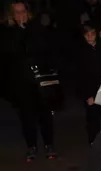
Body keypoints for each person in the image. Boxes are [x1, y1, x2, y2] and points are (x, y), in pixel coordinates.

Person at [3, 0, 57, 162]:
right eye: (17, 12)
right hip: (21, 81)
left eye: (23, 11)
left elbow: (45, 48)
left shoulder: (37, 28)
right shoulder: (7, 32)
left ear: (28, 13)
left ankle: (49, 144)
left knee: (45, 114)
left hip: (40, 80)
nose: (21, 15)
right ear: (12, 15)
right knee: (27, 116)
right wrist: (19, 30)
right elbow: (10, 53)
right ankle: (31, 146)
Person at [76, 22, 101, 144]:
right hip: (91, 92)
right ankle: (94, 143)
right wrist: (87, 95)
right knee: (93, 119)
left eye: (92, 33)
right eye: (87, 34)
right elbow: (79, 76)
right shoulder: (80, 51)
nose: (90, 37)